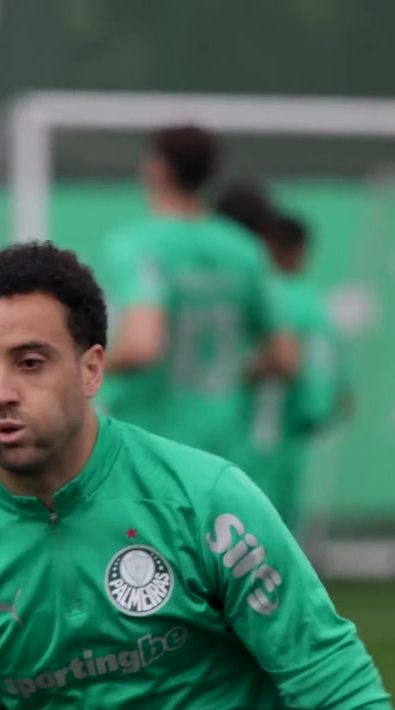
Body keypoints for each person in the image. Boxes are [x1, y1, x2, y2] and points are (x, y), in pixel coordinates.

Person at [0, 241, 393, 710]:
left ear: (91, 370)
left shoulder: (208, 501)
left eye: (30, 363)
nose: (0, 392)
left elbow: (343, 690)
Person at [95, 126, 297, 464]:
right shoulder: (244, 249)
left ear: (157, 169)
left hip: (151, 443)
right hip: (222, 445)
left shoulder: (138, 244)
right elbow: (284, 357)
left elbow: (143, 346)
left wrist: (78, 369)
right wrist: (226, 374)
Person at [243, 214, 349, 536]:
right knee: (282, 515)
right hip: (293, 421)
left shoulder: (270, 294)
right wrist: (330, 399)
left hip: (262, 421)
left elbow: (285, 358)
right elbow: (330, 361)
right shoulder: (310, 299)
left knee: (252, 511)